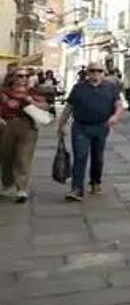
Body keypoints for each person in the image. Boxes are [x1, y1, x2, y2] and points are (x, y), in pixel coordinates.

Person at [58, 62, 123, 202]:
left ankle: (95, 182)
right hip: (81, 127)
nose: (96, 73)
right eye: (92, 71)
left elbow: (118, 105)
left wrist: (115, 116)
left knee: (97, 157)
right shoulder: (79, 88)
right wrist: (61, 125)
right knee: (80, 156)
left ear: (103, 73)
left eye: (99, 71)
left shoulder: (110, 87)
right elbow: (69, 107)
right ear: (87, 73)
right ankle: (77, 189)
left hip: (101, 126)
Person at [0, 69, 50, 203]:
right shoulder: (3, 92)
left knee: (23, 157)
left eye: (27, 75)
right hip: (6, 125)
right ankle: (7, 183)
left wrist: (31, 101)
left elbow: (45, 106)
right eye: (20, 75)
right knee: (6, 156)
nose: (24, 78)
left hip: (28, 126)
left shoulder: (32, 92)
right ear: (12, 77)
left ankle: (21, 189)